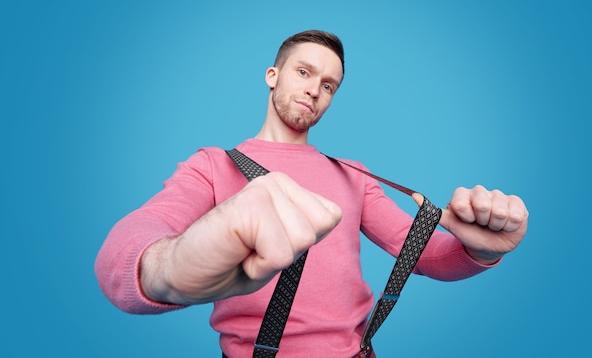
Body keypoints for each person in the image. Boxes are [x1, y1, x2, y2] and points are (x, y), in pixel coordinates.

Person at [95, 30, 528, 357]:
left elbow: (423, 255)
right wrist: (166, 270)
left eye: (328, 85)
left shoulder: (352, 174)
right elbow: (130, 244)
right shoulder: (212, 165)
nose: (314, 89)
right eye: (304, 72)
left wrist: (481, 251)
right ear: (273, 75)